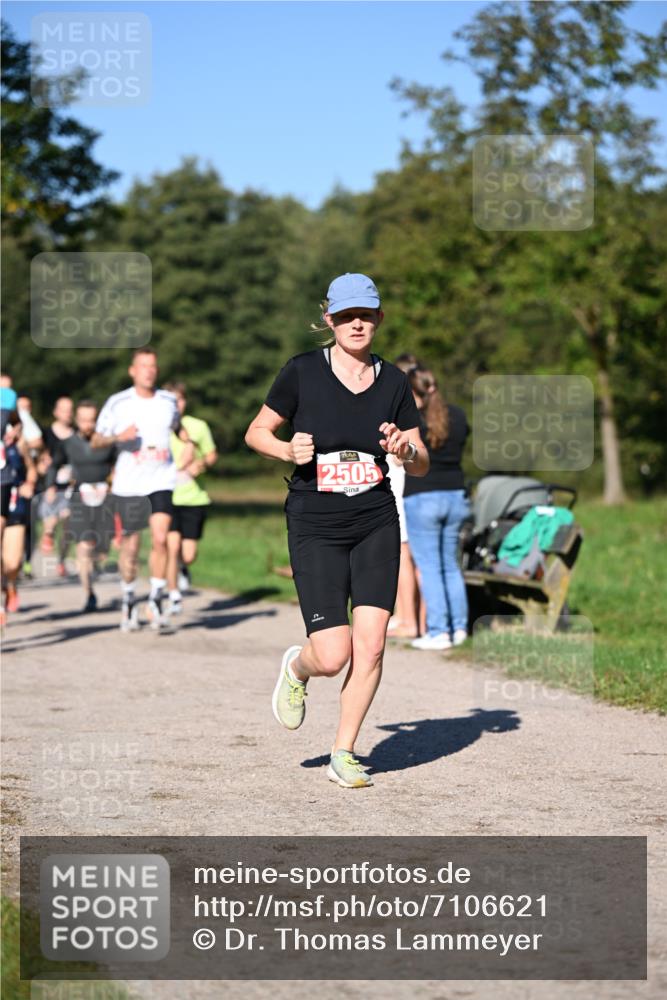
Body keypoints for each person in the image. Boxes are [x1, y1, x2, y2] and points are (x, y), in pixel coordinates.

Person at [245, 273, 429, 788]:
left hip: (375, 519)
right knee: (333, 653)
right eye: (346, 316)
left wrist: (405, 449)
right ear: (330, 320)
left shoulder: (393, 381)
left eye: (365, 316)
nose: (356, 324)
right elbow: (255, 431)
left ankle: (344, 751)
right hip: (315, 521)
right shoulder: (301, 372)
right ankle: (297, 670)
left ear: (378, 320)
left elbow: (421, 462)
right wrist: (286, 450)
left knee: (371, 646)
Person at [92, 348, 188, 632]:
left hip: (161, 480)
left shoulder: (168, 401)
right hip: (129, 484)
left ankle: (156, 599)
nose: (149, 370)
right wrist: (117, 437)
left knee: (160, 539)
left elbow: (177, 427)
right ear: (132, 371)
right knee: (131, 547)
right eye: (143, 366)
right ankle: (129, 597)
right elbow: (96, 440)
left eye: (153, 366)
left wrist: (189, 442)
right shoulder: (118, 402)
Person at [403, 366, 471, 650]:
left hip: (422, 497)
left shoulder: (411, 420)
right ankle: (459, 628)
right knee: (450, 565)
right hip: (456, 495)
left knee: (429, 567)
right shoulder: (457, 415)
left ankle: (439, 631)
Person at [46, 401, 117, 612]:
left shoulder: (107, 443)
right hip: (80, 496)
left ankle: (94, 565)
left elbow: (119, 464)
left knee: (102, 550)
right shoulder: (68, 443)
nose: (88, 425)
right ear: (77, 420)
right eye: (84, 420)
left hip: (105, 497)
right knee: (84, 547)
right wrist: (50, 485)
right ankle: (89, 593)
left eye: (92, 420)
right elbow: (54, 465)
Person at [162, 382, 217, 616]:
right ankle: (174, 596)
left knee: (188, 554)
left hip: (194, 499)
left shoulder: (198, 426)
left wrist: (202, 463)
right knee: (171, 547)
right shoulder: (158, 427)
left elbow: (212, 454)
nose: (176, 405)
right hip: (166, 497)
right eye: (171, 401)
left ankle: (184, 569)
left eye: (180, 400)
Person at [385, 353, 424, 639]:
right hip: (405, 488)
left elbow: (402, 458)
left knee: (403, 556)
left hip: (400, 488)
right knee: (407, 557)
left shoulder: (403, 411)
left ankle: (408, 619)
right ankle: (409, 617)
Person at [1, 400, 37, 623]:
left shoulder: (20, 446)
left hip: (16, 505)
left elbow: (32, 471)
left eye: (14, 426)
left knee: (13, 562)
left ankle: (10, 583)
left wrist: (29, 484)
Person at [39, 396, 74, 575]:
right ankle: (48, 535)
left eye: (70, 409)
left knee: (68, 525)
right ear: (56, 412)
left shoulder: (76, 434)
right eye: (64, 409)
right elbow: (37, 457)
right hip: (50, 484)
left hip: (70, 484)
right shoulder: (46, 434)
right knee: (52, 519)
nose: (68, 413)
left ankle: (62, 561)